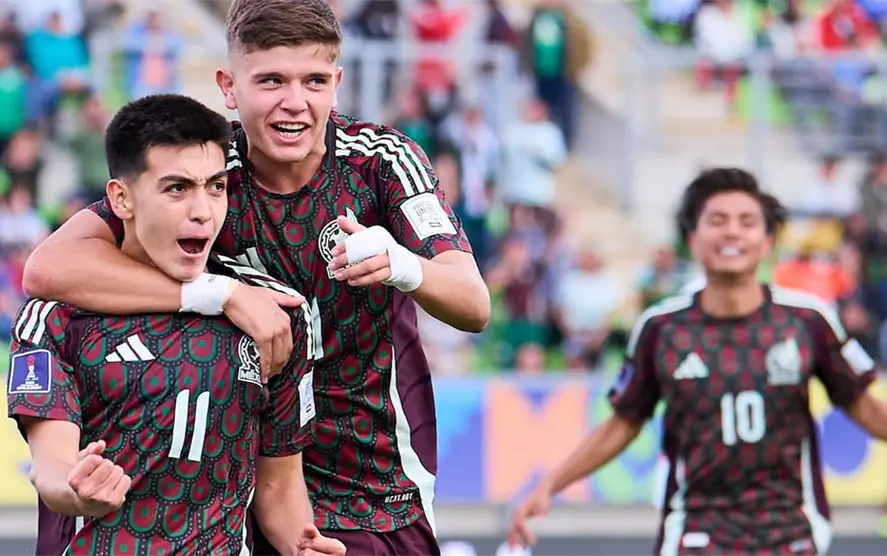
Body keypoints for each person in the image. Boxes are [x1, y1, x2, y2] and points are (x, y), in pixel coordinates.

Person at [21, 0, 492, 554]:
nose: (295, 102)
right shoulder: (204, 172)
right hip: (245, 489)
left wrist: (404, 265)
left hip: (371, 485)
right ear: (228, 86)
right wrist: (219, 293)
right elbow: (48, 268)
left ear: (337, 84)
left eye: (314, 81)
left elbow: (473, 304)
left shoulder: (380, 163)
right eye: (271, 80)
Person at [7, 94, 343, 556]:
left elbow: (279, 486)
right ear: (121, 198)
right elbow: (51, 468)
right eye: (177, 188)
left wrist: (301, 545)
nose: (202, 210)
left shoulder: (273, 313)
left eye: (216, 187)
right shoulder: (56, 316)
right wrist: (77, 490)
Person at [506, 168, 887, 555]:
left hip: (790, 531)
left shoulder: (808, 320)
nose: (732, 232)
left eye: (747, 222)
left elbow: (864, 406)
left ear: (768, 241)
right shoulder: (661, 328)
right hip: (695, 532)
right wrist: (549, 485)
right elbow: (624, 422)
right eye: (717, 221)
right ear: (692, 238)